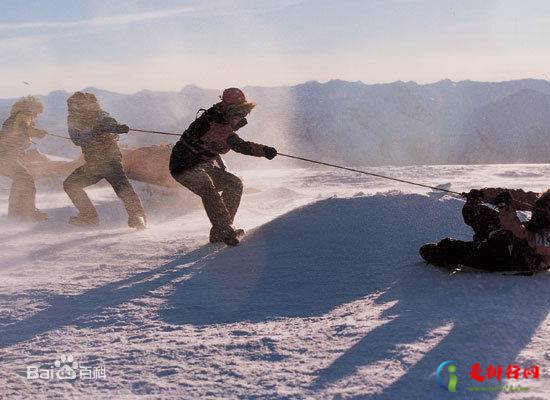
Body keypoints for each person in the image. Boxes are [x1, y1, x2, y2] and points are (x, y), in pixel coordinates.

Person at [169, 88, 277, 246]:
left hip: (200, 165)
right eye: (240, 113)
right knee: (208, 190)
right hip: (182, 166)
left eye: (244, 113)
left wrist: (219, 166)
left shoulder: (220, 117)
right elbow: (239, 146)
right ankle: (225, 230)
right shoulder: (217, 124)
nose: (242, 117)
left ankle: (220, 231)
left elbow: (213, 148)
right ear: (229, 109)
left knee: (234, 184)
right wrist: (264, 151)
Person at [63, 92, 146, 228]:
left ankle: (137, 216)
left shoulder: (100, 115)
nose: (72, 108)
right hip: (94, 164)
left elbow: (109, 122)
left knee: (123, 188)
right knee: (71, 184)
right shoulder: (73, 120)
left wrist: (117, 127)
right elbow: (77, 139)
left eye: (74, 105)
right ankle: (89, 216)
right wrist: (93, 132)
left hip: (110, 160)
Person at [420, 188, 549, 274]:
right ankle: (483, 230)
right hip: (505, 235)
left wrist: (506, 212)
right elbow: (525, 197)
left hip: (508, 256)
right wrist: (484, 195)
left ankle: (444, 252)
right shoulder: (545, 201)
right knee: (474, 211)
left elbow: (525, 236)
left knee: (447, 249)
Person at [0, 96, 48, 221]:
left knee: (20, 181)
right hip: (6, 158)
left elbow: (22, 132)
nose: (37, 116)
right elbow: (22, 132)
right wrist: (37, 133)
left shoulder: (17, 120)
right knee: (27, 181)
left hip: (8, 158)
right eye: (36, 113)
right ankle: (29, 212)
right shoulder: (21, 118)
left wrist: (36, 133)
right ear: (30, 110)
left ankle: (16, 214)